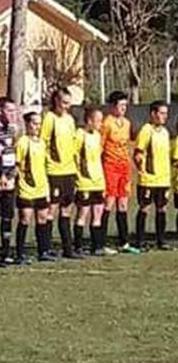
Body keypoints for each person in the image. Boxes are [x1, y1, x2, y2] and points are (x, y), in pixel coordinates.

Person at [40, 87, 79, 259]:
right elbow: (43, 142)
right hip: (54, 171)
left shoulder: (70, 120)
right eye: (64, 103)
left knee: (67, 209)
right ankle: (45, 248)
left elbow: (73, 143)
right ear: (56, 101)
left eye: (69, 104)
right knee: (51, 209)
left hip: (69, 170)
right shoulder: (49, 118)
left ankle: (68, 248)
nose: (66, 107)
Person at [74, 108, 117, 257]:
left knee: (97, 213)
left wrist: (102, 181)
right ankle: (77, 246)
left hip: (98, 181)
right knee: (83, 214)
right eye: (98, 120)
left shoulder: (97, 136)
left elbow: (98, 159)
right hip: (84, 182)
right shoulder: (79, 135)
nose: (101, 124)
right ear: (89, 121)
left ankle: (96, 246)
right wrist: (78, 176)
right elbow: (75, 157)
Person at [101, 91, 139, 253]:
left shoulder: (127, 123)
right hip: (110, 166)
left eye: (125, 105)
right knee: (108, 202)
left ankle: (124, 241)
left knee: (123, 204)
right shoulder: (106, 123)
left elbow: (128, 145)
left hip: (124, 167)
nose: (123, 108)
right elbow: (101, 145)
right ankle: (101, 241)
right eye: (120, 105)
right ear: (113, 106)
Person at [134, 101, 171, 250]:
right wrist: (143, 170)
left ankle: (161, 240)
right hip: (148, 179)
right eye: (161, 113)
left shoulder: (165, 132)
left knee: (162, 208)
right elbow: (138, 153)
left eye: (166, 114)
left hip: (163, 179)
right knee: (145, 208)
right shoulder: (146, 130)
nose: (164, 117)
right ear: (153, 114)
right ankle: (140, 241)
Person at [15, 112, 52, 263]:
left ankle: (43, 251)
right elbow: (17, 164)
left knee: (42, 218)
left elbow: (44, 166)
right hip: (26, 188)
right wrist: (19, 183)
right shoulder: (22, 142)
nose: (37, 127)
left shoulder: (42, 143)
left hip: (41, 187)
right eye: (34, 123)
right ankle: (20, 253)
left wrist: (47, 187)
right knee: (25, 219)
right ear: (27, 124)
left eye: (39, 123)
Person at [0, 96, 18, 266]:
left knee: (8, 215)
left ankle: (6, 251)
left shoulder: (12, 129)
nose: (13, 114)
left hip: (10, 177)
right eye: (9, 110)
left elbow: (12, 151)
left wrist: (14, 170)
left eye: (14, 110)